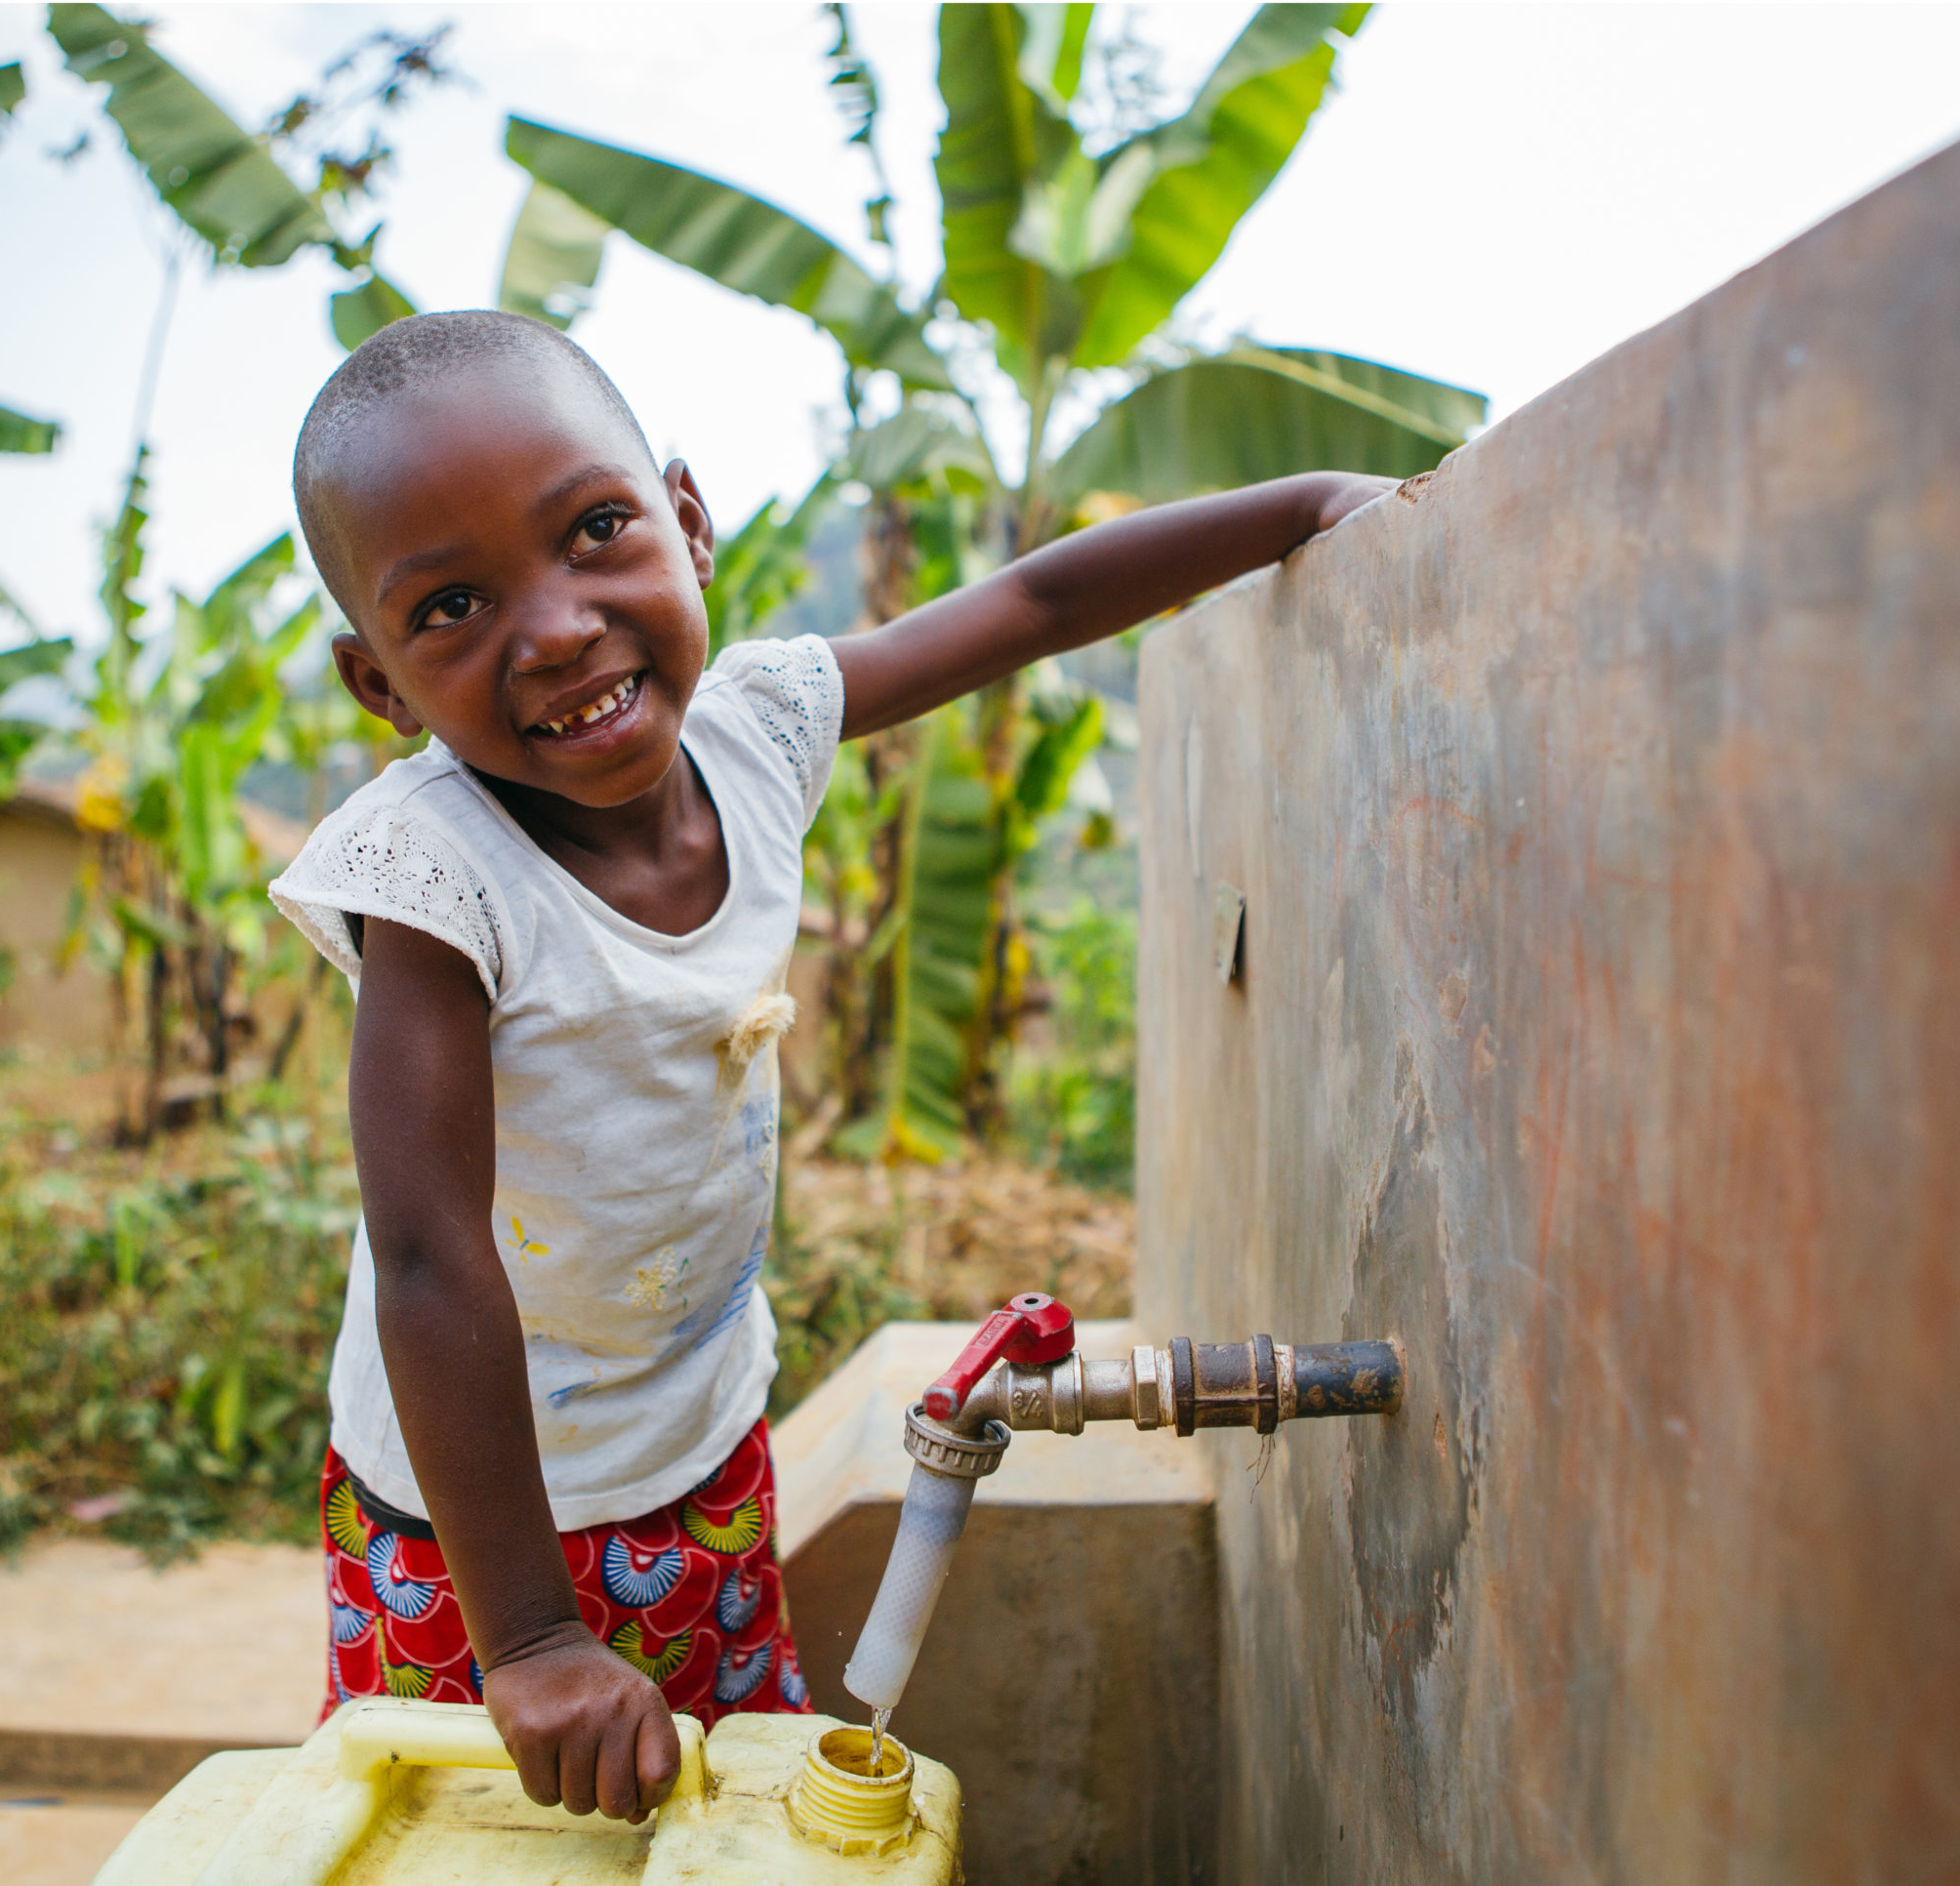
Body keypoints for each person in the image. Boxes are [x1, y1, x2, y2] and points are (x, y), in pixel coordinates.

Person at [269, 309, 1395, 1824]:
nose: (551, 629)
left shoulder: (759, 732)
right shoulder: (432, 881)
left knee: (725, 1807)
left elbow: (1042, 597)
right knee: (474, 1838)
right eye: (455, 607)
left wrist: (1306, 503)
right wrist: (529, 1638)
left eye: (596, 532)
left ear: (686, 520)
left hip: (699, 1444)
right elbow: (426, 1255)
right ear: (381, 684)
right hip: (464, 1533)